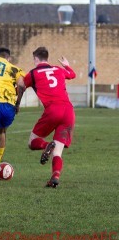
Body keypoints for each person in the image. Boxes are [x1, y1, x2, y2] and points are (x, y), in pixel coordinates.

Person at [24, 46, 76, 188]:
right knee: (58, 152)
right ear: (47, 58)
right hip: (69, 111)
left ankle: (47, 145)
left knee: (32, 142)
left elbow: (21, 85)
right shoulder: (59, 70)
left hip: (53, 109)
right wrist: (67, 65)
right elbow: (72, 74)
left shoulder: (33, 73)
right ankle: (55, 176)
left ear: (35, 59)